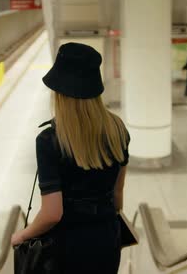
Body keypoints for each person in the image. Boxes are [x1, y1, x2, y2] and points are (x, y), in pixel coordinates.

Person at [11, 42, 130, 274]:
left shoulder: (50, 140)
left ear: (60, 93)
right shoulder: (118, 128)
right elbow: (117, 196)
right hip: (107, 240)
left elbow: (52, 213)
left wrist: (21, 235)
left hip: (67, 248)